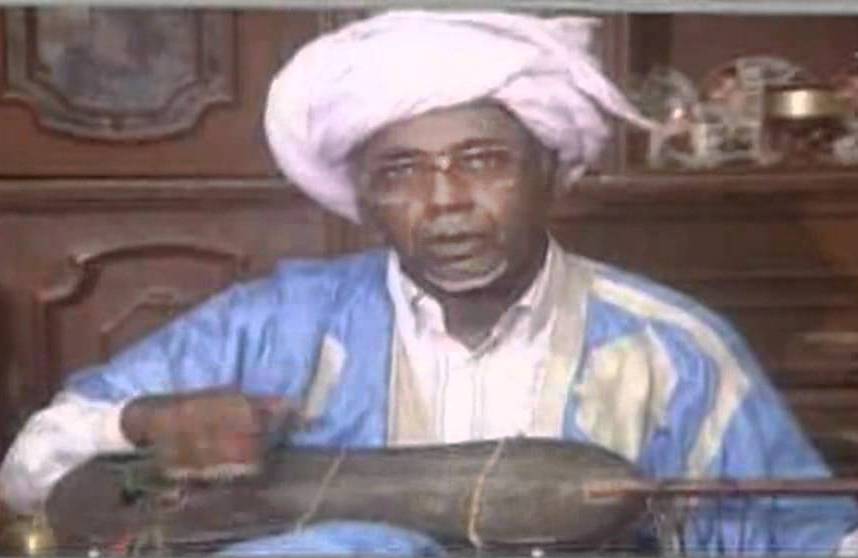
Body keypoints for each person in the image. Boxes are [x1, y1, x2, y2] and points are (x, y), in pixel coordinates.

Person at [1, 9, 857, 556]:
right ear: (365, 197)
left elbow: (811, 541)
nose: (443, 199)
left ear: (550, 172)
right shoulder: (276, 323)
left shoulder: (669, 350)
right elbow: (31, 469)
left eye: (482, 161)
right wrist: (145, 421)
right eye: (401, 172)